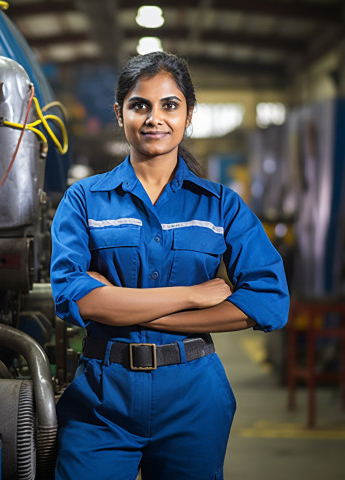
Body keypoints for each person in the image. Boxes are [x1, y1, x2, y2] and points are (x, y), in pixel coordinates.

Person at [50, 51, 289, 480]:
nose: (154, 118)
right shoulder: (85, 200)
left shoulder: (221, 206)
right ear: (120, 112)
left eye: (169, 105)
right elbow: (73, 297)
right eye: (140, 105)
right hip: (103, 399)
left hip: (194, 399)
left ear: (189, 115)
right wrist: (193, 297)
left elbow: (270, 302)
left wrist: (121, 303)